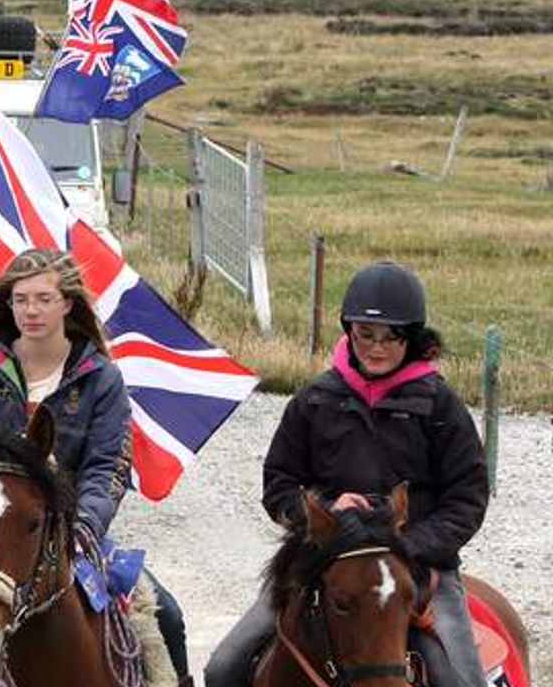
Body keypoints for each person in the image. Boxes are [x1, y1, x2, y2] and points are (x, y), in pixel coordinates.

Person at [0, 248, 189, 683]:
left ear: (67, 304)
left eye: (43, 299)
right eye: (21, 299)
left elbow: (107, 466)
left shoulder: (100, 378)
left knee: (165, 616)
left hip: (66, 529)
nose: (30, 310)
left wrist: (85, 526)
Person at [205, 262, 486, 687]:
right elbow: (278, 482)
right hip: (323, 563)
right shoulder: (315, 400)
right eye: (365, 335)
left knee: (461, 681)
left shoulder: (441, 406)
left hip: (417, 569)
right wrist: (321, 511)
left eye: (392, 338)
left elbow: (468, 498)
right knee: (224, 667)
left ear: (413, 339)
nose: (376, 348)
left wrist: (404, 545)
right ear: (348, 331)